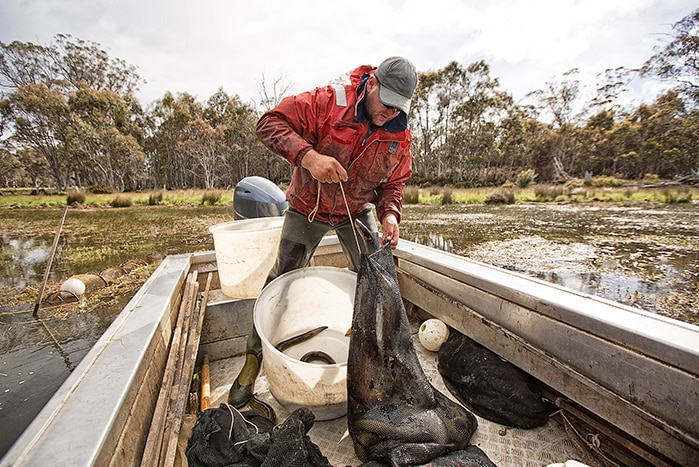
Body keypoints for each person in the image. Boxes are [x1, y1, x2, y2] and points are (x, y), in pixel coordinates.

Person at [228, 56, 419, 408]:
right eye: (387, 102)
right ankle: (252, 362)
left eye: (399, 107)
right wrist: (308, 157)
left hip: (356, 211)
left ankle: (377, 367)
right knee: (279, 282)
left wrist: (390, 214)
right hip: (307, 207)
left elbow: (394, 183)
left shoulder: (400, 133)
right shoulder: (326, 102)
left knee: (379, 282)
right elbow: (268, 124)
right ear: (371, 84)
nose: (391, 112)